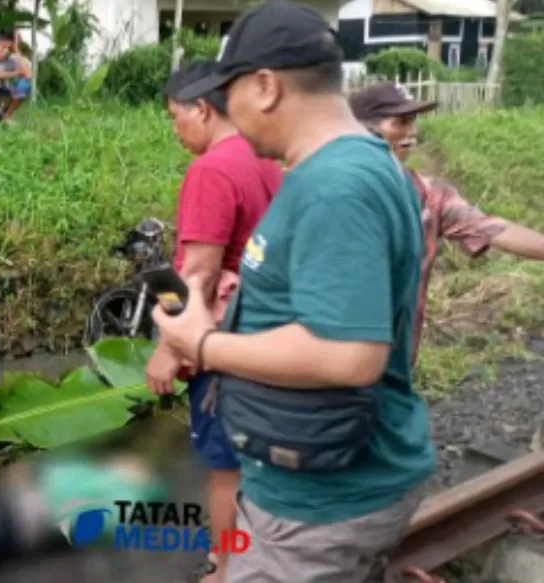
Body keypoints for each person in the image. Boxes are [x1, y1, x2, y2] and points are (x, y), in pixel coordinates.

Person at [152, 2, 434, 582]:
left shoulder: (336, 186)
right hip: (321, 473)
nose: (226, 112)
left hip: (323, 503)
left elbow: (348, 354)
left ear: (264, 86)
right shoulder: (348, 168)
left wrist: (202, 344)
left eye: (228, 93)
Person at [145, 58, 281, 583]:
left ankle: (224, 568)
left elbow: (197, 275)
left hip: (224, 344)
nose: (176, 130)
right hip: (266, 338)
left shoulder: (212, 169)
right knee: (255, 462)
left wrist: (170, 350)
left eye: (176, 117)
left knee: (224, 469)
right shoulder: (267, 158)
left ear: (202, 108)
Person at [349, 82, 544, 363]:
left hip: (398, 359)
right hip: (335, 360)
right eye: (400, 123)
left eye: (413, 123)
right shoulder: (336, 192)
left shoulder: (428, 194)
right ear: (362, 129)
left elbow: (492, 229)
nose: (412, 132)